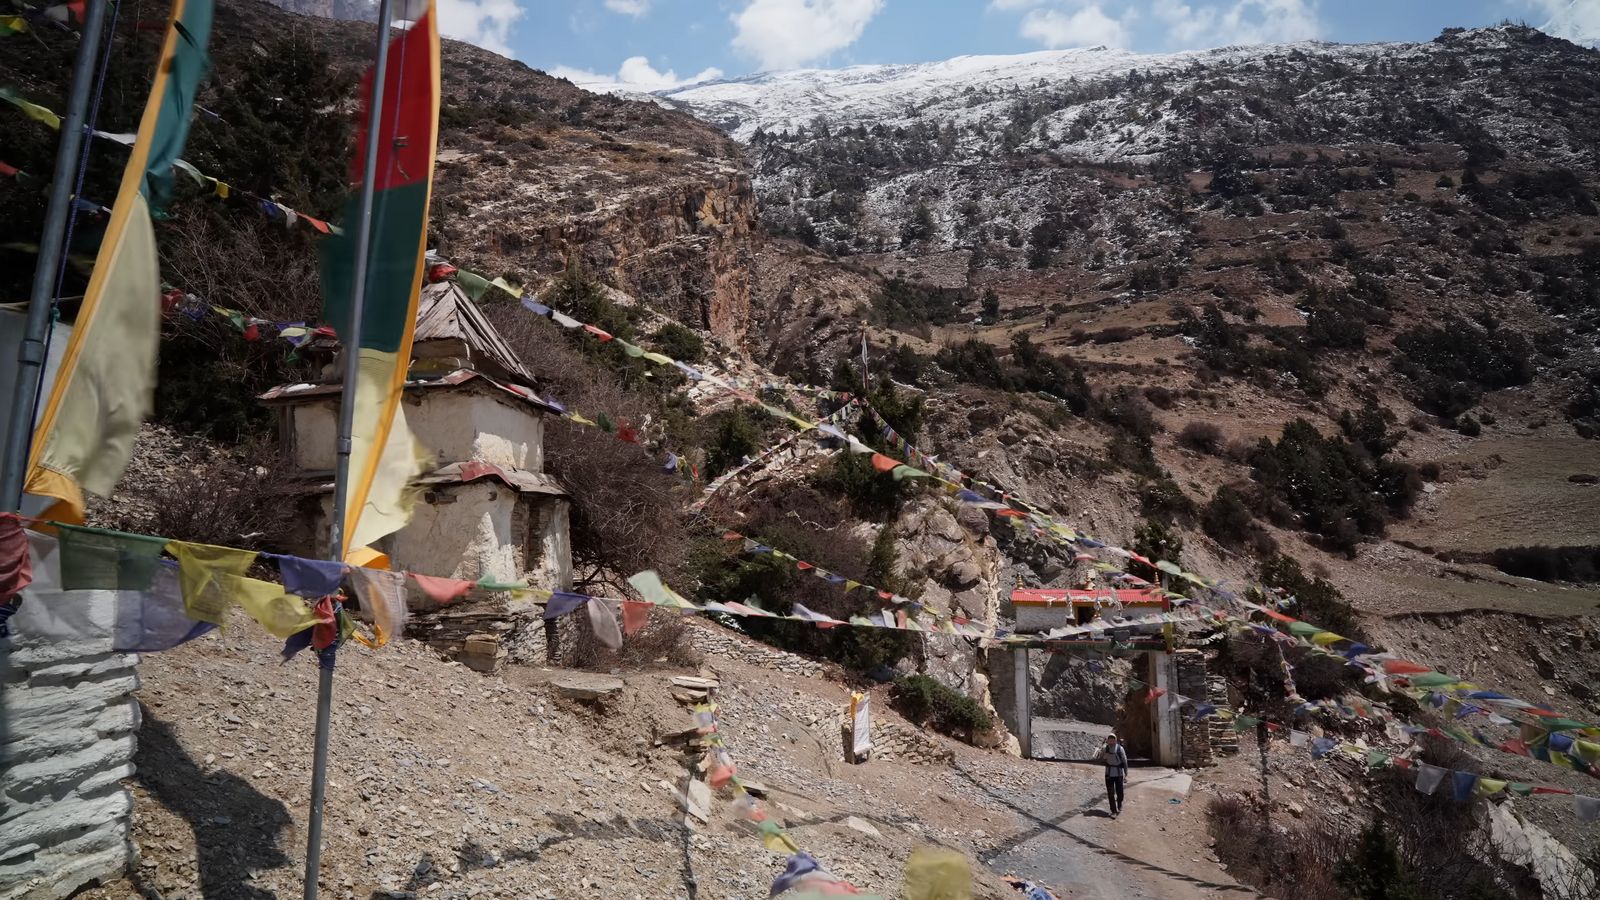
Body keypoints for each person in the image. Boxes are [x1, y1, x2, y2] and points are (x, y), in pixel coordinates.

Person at [1100, 733, 1128, 816]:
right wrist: (1104, 756)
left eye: (1113, 740)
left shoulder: (1120, 749)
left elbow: (1125, 761)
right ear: (1107, 741)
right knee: (1110, 793)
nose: (1111, 742)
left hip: (1119, 774)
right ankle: (1113, 811)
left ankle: (1119, 803)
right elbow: (1100, 759)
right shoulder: (1105, 749)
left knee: (1120, 793)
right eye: (1110, 740)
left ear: (1115, 740)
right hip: (1109, 774)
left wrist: (1126, 774)